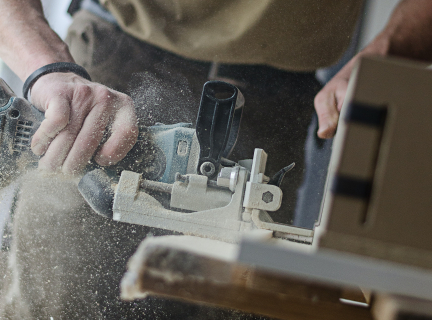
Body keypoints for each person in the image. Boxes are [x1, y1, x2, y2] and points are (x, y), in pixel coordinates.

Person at [1, 0, 432, 318]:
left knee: (234, 301)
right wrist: (47, 69)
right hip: (106, 76)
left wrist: (389, 51)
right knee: (57, 300)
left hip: (281, 89)